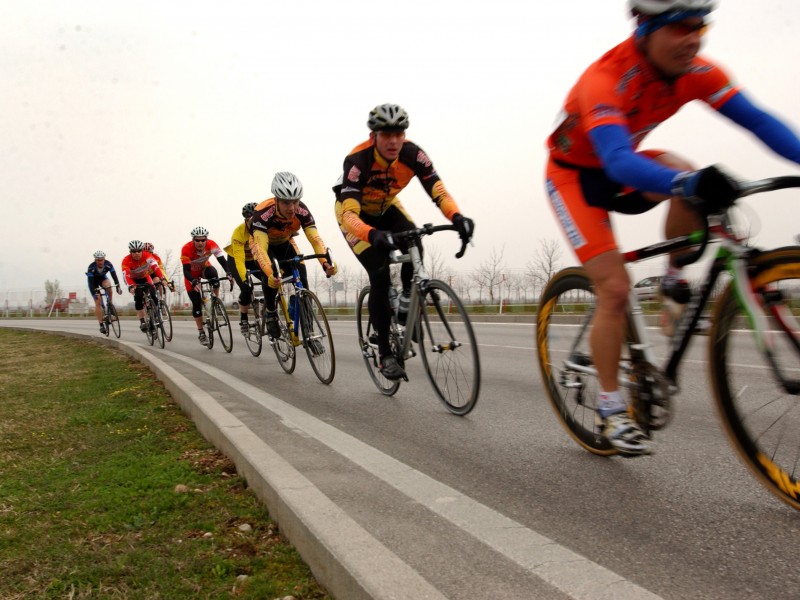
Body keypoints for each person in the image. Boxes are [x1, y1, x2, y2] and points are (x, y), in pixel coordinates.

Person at [545, 0, 800, 456]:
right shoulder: (604, 78)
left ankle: (673, 282)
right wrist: (686, 182)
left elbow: (759, 121)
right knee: (616, 290)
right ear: (644, 29)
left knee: (689, 177)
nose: (693, 39)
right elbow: (617, 161)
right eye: (679, 28)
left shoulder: (698, 71)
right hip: (577, 179)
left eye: (700, 26)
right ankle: (610, 408)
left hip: (627, 167)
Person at [335, 103, 475, 380]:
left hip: (387, 208)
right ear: (373, 135)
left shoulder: (413, 154)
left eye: (399, 134)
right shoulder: (357, 161)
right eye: (387, 134)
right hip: (354, 217)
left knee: (415, 244)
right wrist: (372, 234)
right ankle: (385, 354)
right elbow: (350, 214)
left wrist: (456, 216)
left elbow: (437, 188)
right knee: (380, 273)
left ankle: (406, 305)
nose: (394, 141)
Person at [250, 172, 337, 346]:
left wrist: (325, 262)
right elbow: (261, 249)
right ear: (276, 199)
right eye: (286, 202)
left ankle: (309, 332)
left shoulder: (302, 211)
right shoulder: (262, 212)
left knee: (302, 278)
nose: (292, 208)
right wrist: (269, 273)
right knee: (272, 276)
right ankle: (272, 313)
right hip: (264, 245)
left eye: (296, 201)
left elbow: (315, 239)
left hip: (285, 243)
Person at [180, 226, 232, 346]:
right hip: (191, 276)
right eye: (197, 240)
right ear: (193, 240)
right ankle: (201, 333)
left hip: (204, 269)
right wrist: (193, 281)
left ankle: (215, 301)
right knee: (196, 303)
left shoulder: (212, 244)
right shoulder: (186, 249)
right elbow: (186, 271)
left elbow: (223, 261)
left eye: (203, 240)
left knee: (214, 275)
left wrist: (229, 272)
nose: (200, 243)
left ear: (206, 240)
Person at [225, 202, 264, 335]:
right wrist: (244, 279)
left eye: (257, 219)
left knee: (269, 278)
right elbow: (240, 261)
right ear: (246, 220)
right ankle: (244, 319)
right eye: (251, 220)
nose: (254, 223)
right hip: (236, 259)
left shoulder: (263, 227)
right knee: (247, 287)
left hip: (253, 258)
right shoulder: (238, 232)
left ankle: (267, 309)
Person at [121, 240, 166, 333]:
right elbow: (126, 275)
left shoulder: (147, 256)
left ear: (142, 251)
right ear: (130, 252)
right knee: (138, 297)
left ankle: (155, 315)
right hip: (134, 280)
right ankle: (142, 321)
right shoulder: (126, 260)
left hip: (145, 278)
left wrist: (162, 278)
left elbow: (156, 268)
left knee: (153, 295)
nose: (137, 253)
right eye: (134, 251)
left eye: (139, 251)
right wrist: (131, 286)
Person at [86, 250, 122, 334]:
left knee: (108, 286)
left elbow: (114, 276)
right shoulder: (91, 267)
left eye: (102, 260)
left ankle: (110, 304)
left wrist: (118, 286)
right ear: (95, 260)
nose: (100, 262)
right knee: (98, 301)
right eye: (98, 260)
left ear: (104, 259)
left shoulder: (108, 264)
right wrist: (95, 292)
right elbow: (91, 283)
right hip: (93, 282)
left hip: (102, 279)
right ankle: (101, 324)